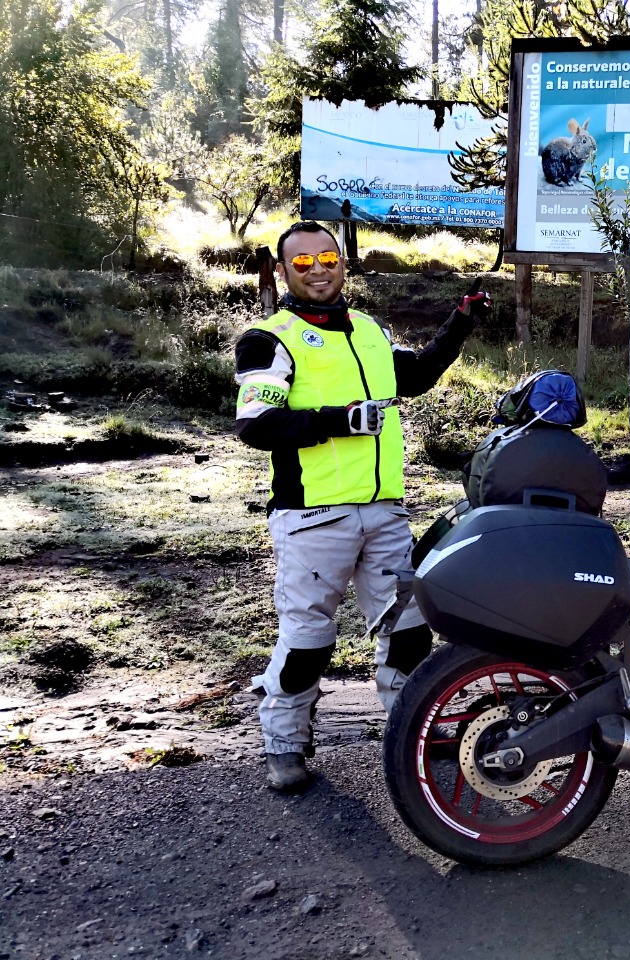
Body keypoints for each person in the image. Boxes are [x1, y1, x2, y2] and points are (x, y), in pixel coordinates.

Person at [233, 220, 490, 792]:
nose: (318, 269)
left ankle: (416, 733)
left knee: (409, 628)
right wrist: (340, 421)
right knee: (307, 639)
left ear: (342, 262)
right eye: (302, 263)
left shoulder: (368, 331)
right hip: (311, 515)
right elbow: (255, 424)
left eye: (327, 257)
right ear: (282, 271)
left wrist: (460, 322)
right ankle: (284, 743)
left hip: (384, 512)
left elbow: (416, 373)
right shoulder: (269, 338)